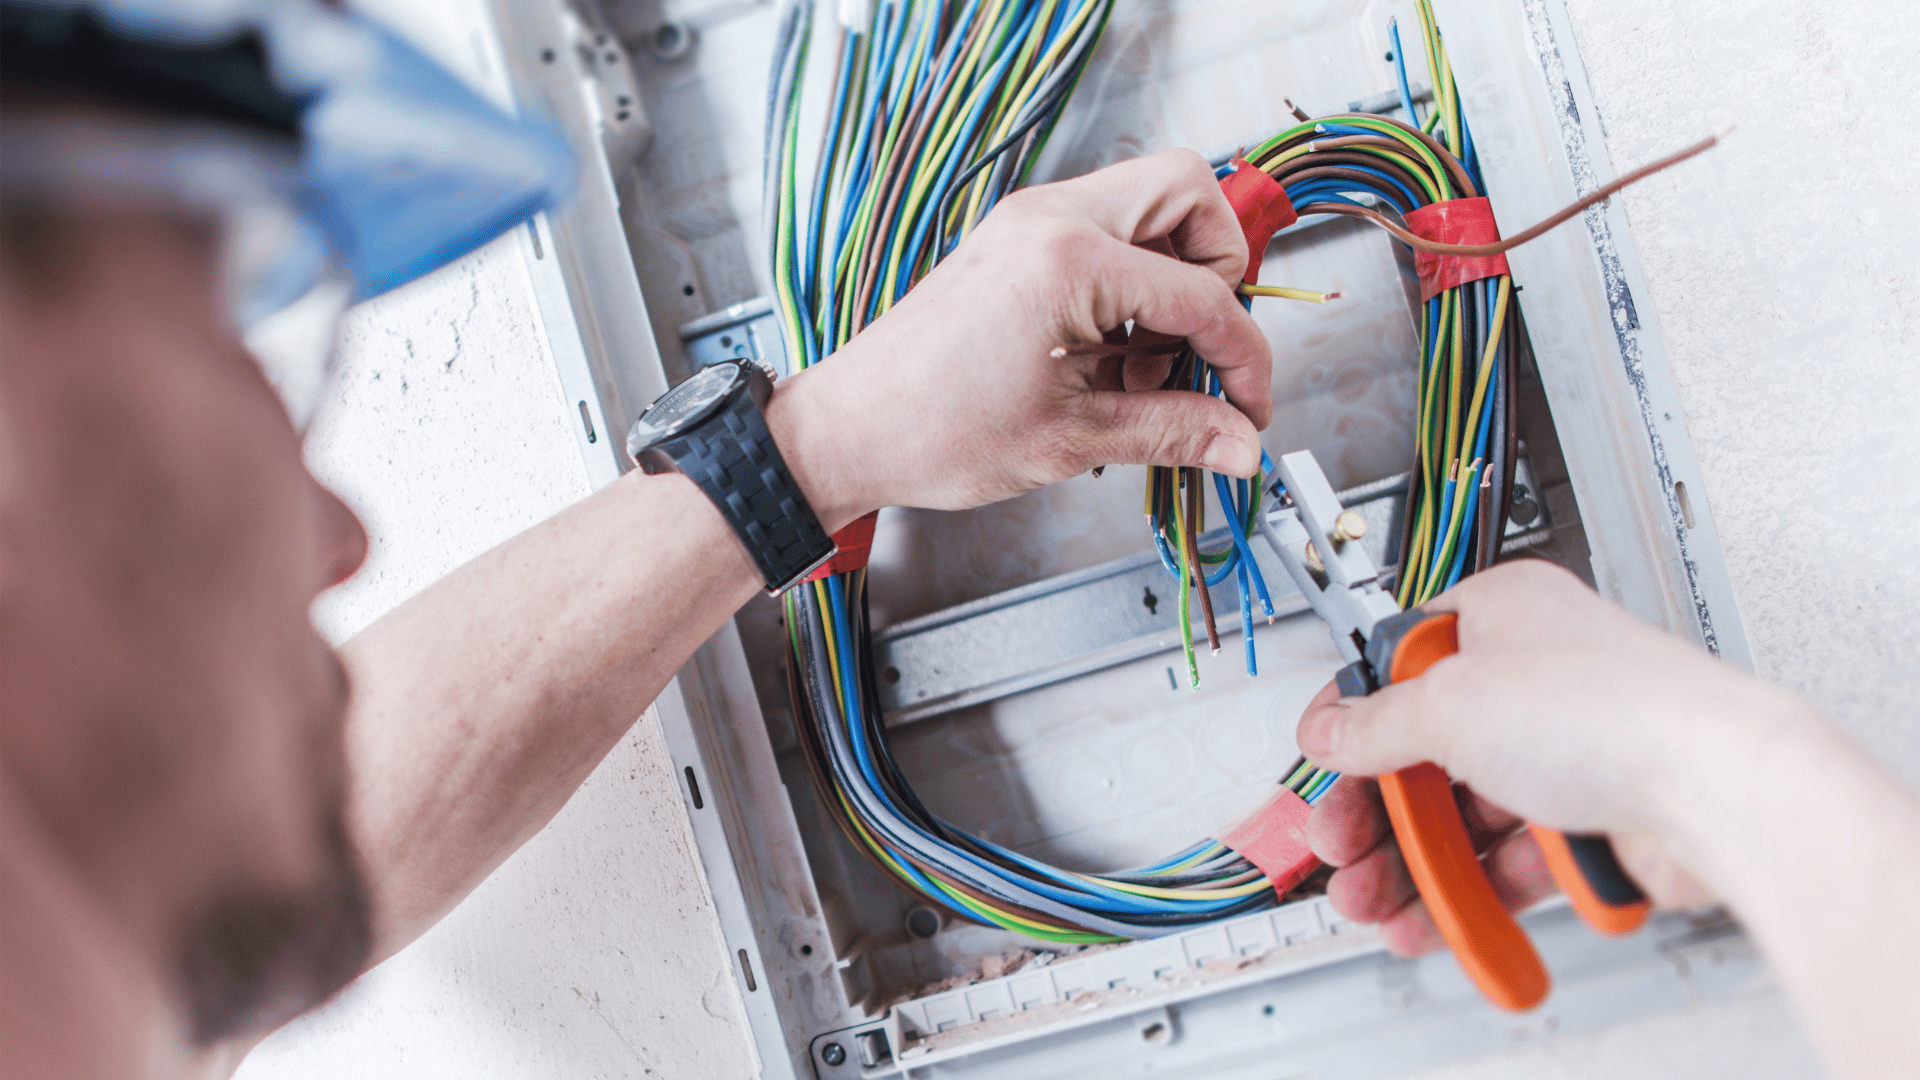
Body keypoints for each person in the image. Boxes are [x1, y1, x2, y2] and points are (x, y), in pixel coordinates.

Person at [0, 5, 1913, 1080]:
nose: (336, 538)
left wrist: (819, 443)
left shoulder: (126, 927)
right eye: (175, 442)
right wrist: (1723, 767)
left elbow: (303, 815)